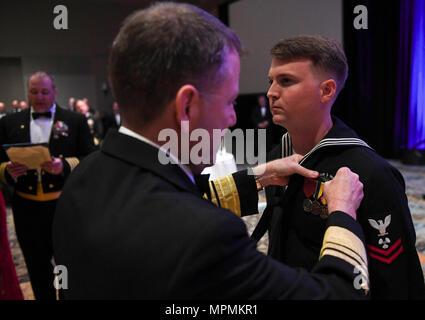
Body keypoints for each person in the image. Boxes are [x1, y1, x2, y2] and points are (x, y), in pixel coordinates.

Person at [53, 2, 369, 300]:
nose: (232, 118)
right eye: (229, 102)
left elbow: (176, 194)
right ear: (186, 106)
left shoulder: (85, 175)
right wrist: (342, 212)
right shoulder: (205, 236)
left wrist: (260, 175)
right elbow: (337, 294)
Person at [208, 35, 425, 299]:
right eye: (271, 81)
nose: (271, 92)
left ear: (327, 90)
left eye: (286, 81)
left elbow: (397, 280)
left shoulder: (369, 173)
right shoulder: (280, 157)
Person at [0, 71, 95, 300]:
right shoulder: (8, 123)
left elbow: (91, 159)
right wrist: (7, 170)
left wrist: (63, 166)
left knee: (68, 265)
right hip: (27, 209)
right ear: (27, 93)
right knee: (36, 266)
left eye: (44, 91)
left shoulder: (74, 120)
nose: (39, 97)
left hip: (64, 207)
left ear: (55, 92)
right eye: (34, 92)